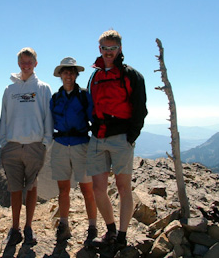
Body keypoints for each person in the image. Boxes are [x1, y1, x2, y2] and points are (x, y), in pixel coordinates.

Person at [87, 30, 147, 253]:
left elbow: (140, 108)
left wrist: (131, 137)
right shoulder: (95, 75)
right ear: (99, 49)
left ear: (120, 49)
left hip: (121, 137)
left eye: (113, 48)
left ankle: (121, 235)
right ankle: (111, 231)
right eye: (105, 48)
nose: (108, 52)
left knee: (123, 188)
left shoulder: (131, 75)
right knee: (98, 189)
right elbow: (91, 103)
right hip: (98, 137)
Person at [0, 47, 53, 247]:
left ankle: (28, 227)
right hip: (12, 145)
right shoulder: (9, 90)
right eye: (23, 62)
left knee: (31, 187)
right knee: (14, 189)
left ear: (36, 64)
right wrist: (3, 141)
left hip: (35, 146)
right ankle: (15, 229)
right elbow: (3, 116)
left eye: (30, 62)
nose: (26, 65)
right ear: (18, 64)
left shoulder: (43, 88)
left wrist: (46, 142)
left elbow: (48, 116)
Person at [50, 57, 98, 246]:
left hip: (80, 145)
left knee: (87, 189)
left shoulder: (84, 96)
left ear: (76, 75)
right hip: (61, 145)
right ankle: (64, 225)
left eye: (71, 72)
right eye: (65, 72)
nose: (68, 75)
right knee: (63, 189)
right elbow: (49, 122)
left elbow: (93, 119)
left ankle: (92, 227)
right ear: (60, 75)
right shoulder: (55, 98)